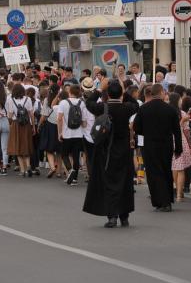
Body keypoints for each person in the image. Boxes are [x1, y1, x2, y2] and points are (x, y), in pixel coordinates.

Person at [83, 80, 139, 228]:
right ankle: (124, 217)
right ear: (121, 94)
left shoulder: (102, 107)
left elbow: (89, 103)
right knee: (124, 183)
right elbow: (136, 104)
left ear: (107, 93)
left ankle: (112, 216)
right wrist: (124, 92)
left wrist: (99, 90)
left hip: (106, 151)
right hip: (124, 151)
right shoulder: (126, 108)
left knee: (109, 183)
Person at [132, 83, 183, 211]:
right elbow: (177, 131)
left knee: (153, 173)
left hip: (149, 145)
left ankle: (159, 201)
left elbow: (136, 127)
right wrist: (178, 149)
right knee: (166, 171)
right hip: (166, 144)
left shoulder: (144, 109)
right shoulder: (170, 109)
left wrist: (145, 131)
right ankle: (167, 200)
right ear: (161, 93)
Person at [57, 84, 88, 186]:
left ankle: (70, 171)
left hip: (66, 134)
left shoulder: (63, 102)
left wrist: (59, 132)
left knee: (64, 154)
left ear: (69, 92)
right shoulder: (82, 103)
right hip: (78, 134)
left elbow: (59, 119)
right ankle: (74, 179)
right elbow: (84, 123)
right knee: (76, 156)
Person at [6, 81, 35, 177]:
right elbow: (31, 114)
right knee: (26, 146)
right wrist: (33, 126)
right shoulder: (28, 99)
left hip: (16, 124)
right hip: (26, 125)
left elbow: (10, 115)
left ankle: (22, 170)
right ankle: (28, 166)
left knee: (17, 147)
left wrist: (9, 123)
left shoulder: (11, 100)